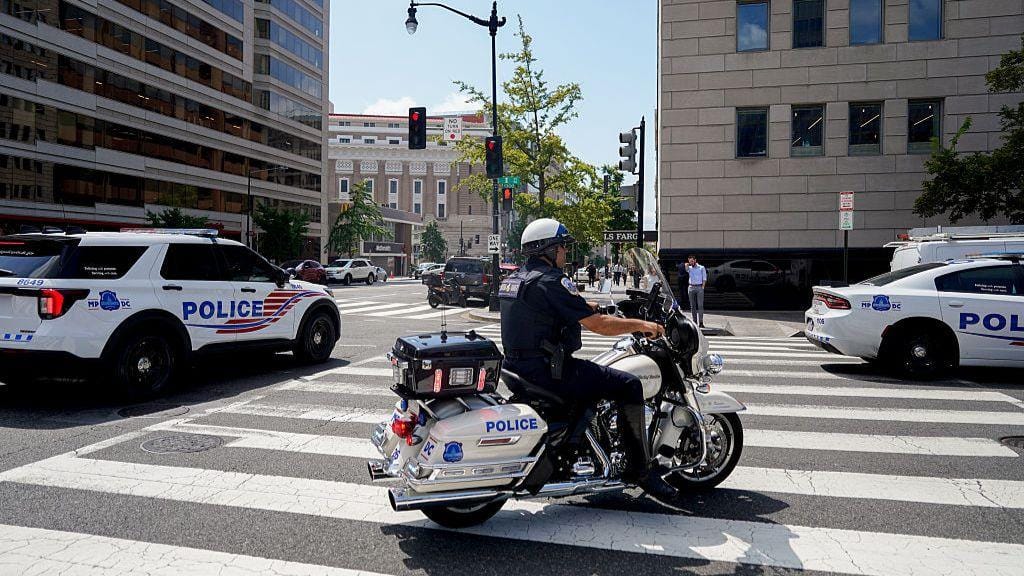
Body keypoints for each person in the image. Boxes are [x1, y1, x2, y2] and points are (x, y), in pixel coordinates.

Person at [499, 218, 665, 485]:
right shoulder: (552, 280)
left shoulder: (516, 279)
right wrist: (643, 325)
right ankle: (639, 469)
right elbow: (599, 326)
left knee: (593, 382)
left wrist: (583, 305)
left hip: (518, 368)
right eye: (562, 247)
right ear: (548, 250)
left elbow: (539, 312)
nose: (565, 252)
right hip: (548, 372)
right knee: (630, 385)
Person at [684, 254, 707, 328]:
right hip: (691, 287)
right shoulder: (689, 268)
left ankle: (701, 322)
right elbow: (686, 269)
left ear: (695, 260)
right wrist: (686, 265)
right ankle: (694, 322)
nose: (691, 262)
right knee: (692, 306)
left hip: (699, 287)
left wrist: (702, 287)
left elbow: (704, 278)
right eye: (690, 261)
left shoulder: (701, 267)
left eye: (692, 261)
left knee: (700, 305)